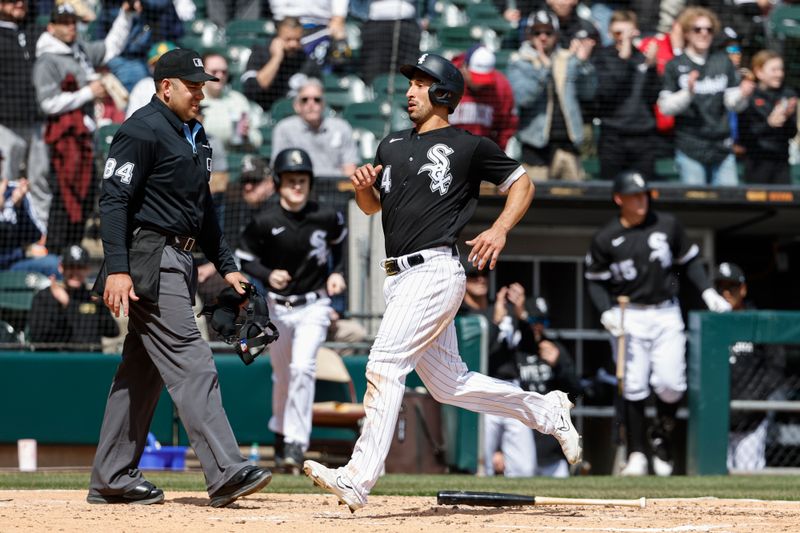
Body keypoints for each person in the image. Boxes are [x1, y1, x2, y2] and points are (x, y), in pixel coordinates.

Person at [302, 53, 581, 512]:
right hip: (398, 276)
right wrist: (362, 187)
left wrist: (499, 229)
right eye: (410, 83)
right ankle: (547, 411)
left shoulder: (469, 146)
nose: (410, 91)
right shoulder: (390, 144)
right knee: (449, 385)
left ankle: (357, 477)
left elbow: (522, 184)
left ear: (444, 94)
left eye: (421, 83)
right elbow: (373, 209)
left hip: (434, 270)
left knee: (385, 364)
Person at [87, 48, 272, 507]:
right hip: (150, 256)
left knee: (142, 372)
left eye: (202, 85)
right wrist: (117, 269)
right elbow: (113, 203)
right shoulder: (140, 129)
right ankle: (226, 469)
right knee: (193, 360)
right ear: (165, 87)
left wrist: (227, 267)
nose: (200, 92)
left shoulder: (196, 134)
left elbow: (204, 211)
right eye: (192, 85)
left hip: (183, 260)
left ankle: (112, 474)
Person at [584, 170, 731, 477]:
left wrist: (707, 292)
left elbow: (689, 261)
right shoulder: (606, 237)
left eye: (644, 194)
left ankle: (661, 438)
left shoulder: (667, 225)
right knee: (633, 385)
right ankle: (637, 453)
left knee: (671, 384)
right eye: (634, 196)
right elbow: (595, 281)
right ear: (619, 199)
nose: (641, 201)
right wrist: (604, 312)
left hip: (666, 312)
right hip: (629, 315)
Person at [236, 147, 347, 471]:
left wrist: (337, 272)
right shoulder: (264, 220)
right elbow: (244, 257)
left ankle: (297, 443)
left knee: (302, 369)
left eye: (302, 180)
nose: (296, 186)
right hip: (277, 308)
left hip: (314, 304)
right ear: (278, 182)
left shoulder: (325, 215)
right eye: (289, 180)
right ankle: (283, 437)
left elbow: (339, 241)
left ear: (309, 182)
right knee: (283, 376)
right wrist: (268, 274)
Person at [32, 1, 136, 252]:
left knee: (87, 195)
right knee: (63, 196)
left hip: (85, 139)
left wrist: (126, 14)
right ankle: (56, 253)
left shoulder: (79, 50)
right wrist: (88, 92)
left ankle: (73, 251)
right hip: (60, 142)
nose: (70, 28)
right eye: (64, 24)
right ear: (51, 27)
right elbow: (48, 103)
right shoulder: (47, 60)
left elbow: (111, 47)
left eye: (73, 23)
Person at [657, 6, 755, 186]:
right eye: (697, 29)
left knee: (730, 202)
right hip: (690, 148)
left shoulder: (723, 61)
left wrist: (743, 94)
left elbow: (733, 104)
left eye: (709, 29)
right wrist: (688, 92)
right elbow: (665, 108)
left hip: (722, 147)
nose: (704, 33)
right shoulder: (675, 65)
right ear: (687, 33)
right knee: (696, 207)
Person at [457, 266, 535, 477]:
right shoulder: (460, 314)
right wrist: (495, 323)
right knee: (481, 464)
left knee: (525, 467)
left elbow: (530, 348)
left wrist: (522, 314)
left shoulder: (499, 308)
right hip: (480, 387)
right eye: (474, 275)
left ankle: (520, 509)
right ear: (463, 280)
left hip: (511, 387)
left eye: (484, 275)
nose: (481, 279)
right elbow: (475, 354)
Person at [507, 10, 596, 181]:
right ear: (529, 35)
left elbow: (588, 93)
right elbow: (523, 99)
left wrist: (583, 64)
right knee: (536, 204)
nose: (543, 37)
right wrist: (544, 70)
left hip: (567, 145)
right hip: (536, 146)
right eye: (537, 32)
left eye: (548, 32)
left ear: (556, 34)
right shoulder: (519, 61)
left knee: (572, 203)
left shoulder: (568, 58)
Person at [715, 262, 784, 472]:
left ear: (743, 289)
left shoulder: (758, 321)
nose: (726, 293)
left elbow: (776, 365)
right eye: (721, 288)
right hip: (717, 416)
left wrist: (754, 397)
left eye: (732, 287)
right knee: (715, 478)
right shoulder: (711, 323)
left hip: (752, 418)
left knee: (749, 475)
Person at [514, 295, 584, 478]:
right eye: (533, 320)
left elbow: (576, 392)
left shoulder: (555, 348)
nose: (538, 326)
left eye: (542, 321)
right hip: (518, 445)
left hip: (552, 450)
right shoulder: (515, 351)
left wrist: (559, 364)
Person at [593, 10, 661, 181]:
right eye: (617, 33)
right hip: (613, 137)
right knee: (609, 192)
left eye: (627, 33)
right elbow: (607, 93)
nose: (622, 38)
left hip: (643, 137)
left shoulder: (643, 59)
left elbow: (653, 97)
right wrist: (623, 60)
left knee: (644, 192)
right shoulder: (602, 57)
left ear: (635, 32)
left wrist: (652, 68)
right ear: (609, 33)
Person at [0, 0, 50, 231]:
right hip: (5, 125)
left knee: (40, 183)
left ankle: (41, 235)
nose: (20, 3)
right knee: (5, 182)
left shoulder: (35, 31)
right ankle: (5, 235)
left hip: (37, 123)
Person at [28, 243, 119, 347]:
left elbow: (113, 332)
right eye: (70, 266)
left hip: (90, 359)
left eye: (80, 267)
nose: (75, 272)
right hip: (57, 359)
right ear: (61, 267)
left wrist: (101, 306)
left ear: (88, 269)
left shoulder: (91, 298)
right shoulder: (46, 296)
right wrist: (64, 306)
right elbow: (38, 336)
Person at [271, 77, 358, 177]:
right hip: (299, 186)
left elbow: (350, 169)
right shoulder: (284, 129)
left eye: (317, 99)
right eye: (305, 100)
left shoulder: (341, 127)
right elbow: (278, 168)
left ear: (323, 104)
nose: (311, 104)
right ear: (296, 106)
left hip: (334, 188)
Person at [737, 50, 798, 185]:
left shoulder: (788, 94)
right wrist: (769, 124)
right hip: (756, 163)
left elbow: (792, 133)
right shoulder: (749, 96)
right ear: (759, 72)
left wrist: (787, 118)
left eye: (781, 69)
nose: (779, 74)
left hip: (781, 162)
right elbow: (745, 136)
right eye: (774, 70)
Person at [242, 16, 320, 113]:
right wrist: (276, 58)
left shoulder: (305, 60)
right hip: (262, 112)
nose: (293, 44)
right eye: (288, 39)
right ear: (277, 38)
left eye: (297, 40)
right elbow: (253, 88)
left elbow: (317, 96)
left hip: (295, 116)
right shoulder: (260, 52)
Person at [450, 45, 519, 151]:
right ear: (464, 67)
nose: (479, 84)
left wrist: (496, 153)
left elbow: (506, 126)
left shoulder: (500, 87)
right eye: (475, 76)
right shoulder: (448, 80)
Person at [201, 52, 265, 150]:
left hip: (232, 156)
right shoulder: (194, 98)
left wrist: (246, 136)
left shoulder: (238, 100)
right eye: (214, 71)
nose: (220, 76)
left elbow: (257, 139)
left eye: (224, 72)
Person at [126, 40, 177, 118]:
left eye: (168, 62)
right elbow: (131, 122)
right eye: (157, 64)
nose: (162, 68)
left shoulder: (186, 85)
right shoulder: (143, 86)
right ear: (151, 67)